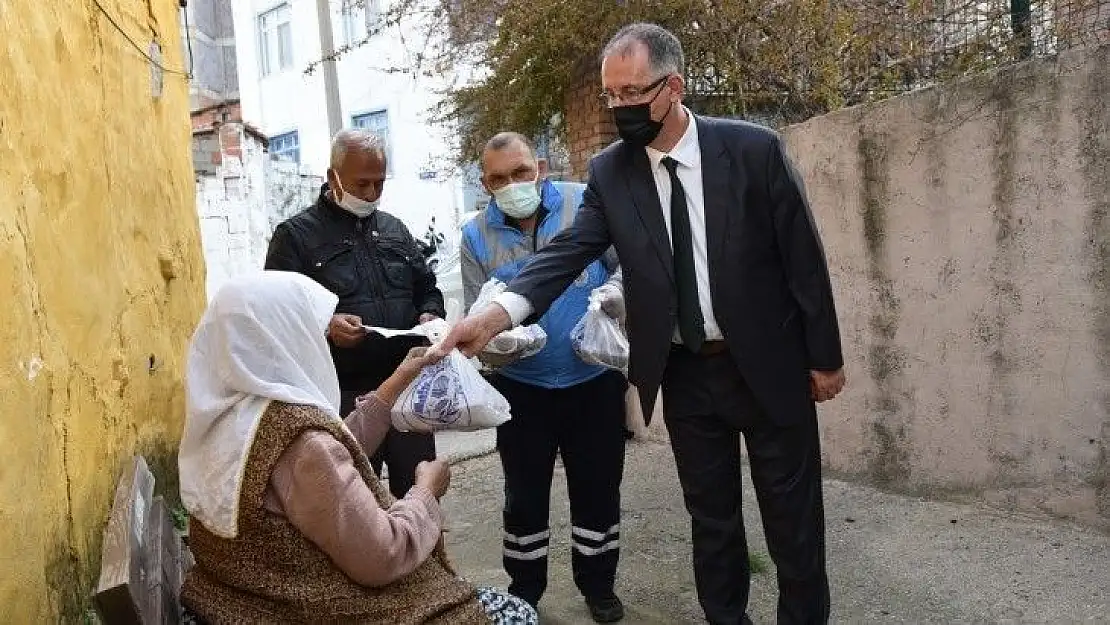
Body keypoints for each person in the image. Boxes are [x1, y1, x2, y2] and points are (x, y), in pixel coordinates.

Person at [437, 23, 846, 625]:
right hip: (684, 373)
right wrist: (496, 314)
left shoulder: (752, 150)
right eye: (611, 96)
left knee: (794, 521)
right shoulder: (612, 171)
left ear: (673, 87)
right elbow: (567, 252)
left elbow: (803, 260)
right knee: (711, 522)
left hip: (769, 363)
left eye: (632, 93)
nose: (619, 108)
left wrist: (825, 357)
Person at [177, 271, 538, 624]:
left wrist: (396, 382)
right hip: (298, 606)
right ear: (286, 339)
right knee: (516, 614)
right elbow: (383, 556)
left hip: (239, 597)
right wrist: (425, 492)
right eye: (314, 333)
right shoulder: (302, 442)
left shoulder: (232, 414)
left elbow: (324, 465)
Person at [461, 132, 628, 622]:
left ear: (541, 166)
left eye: (519, 173)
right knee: (523, 494)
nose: (511, 185)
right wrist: (498, 345)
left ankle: (598, 585)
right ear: (484, 182)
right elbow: (477, 307)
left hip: (592, 379)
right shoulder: (475, 235)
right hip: (521, 389)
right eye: (497, 179)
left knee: (598, 486)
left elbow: (625, 266)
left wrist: (618, 292)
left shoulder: (585, 203)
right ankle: (525, 588)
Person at [264, 128, 443, 499]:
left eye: (379, 183)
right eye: (362, 184)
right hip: (342, 397)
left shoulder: (395, 229)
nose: (372, 194)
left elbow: (428, 287)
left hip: (408, 390)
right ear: (333, 177)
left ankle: (424, 558)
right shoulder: (295, 237)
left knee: (422, 497)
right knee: (352, 505)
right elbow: (276, 315)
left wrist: (429, 314)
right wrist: (325, 326)